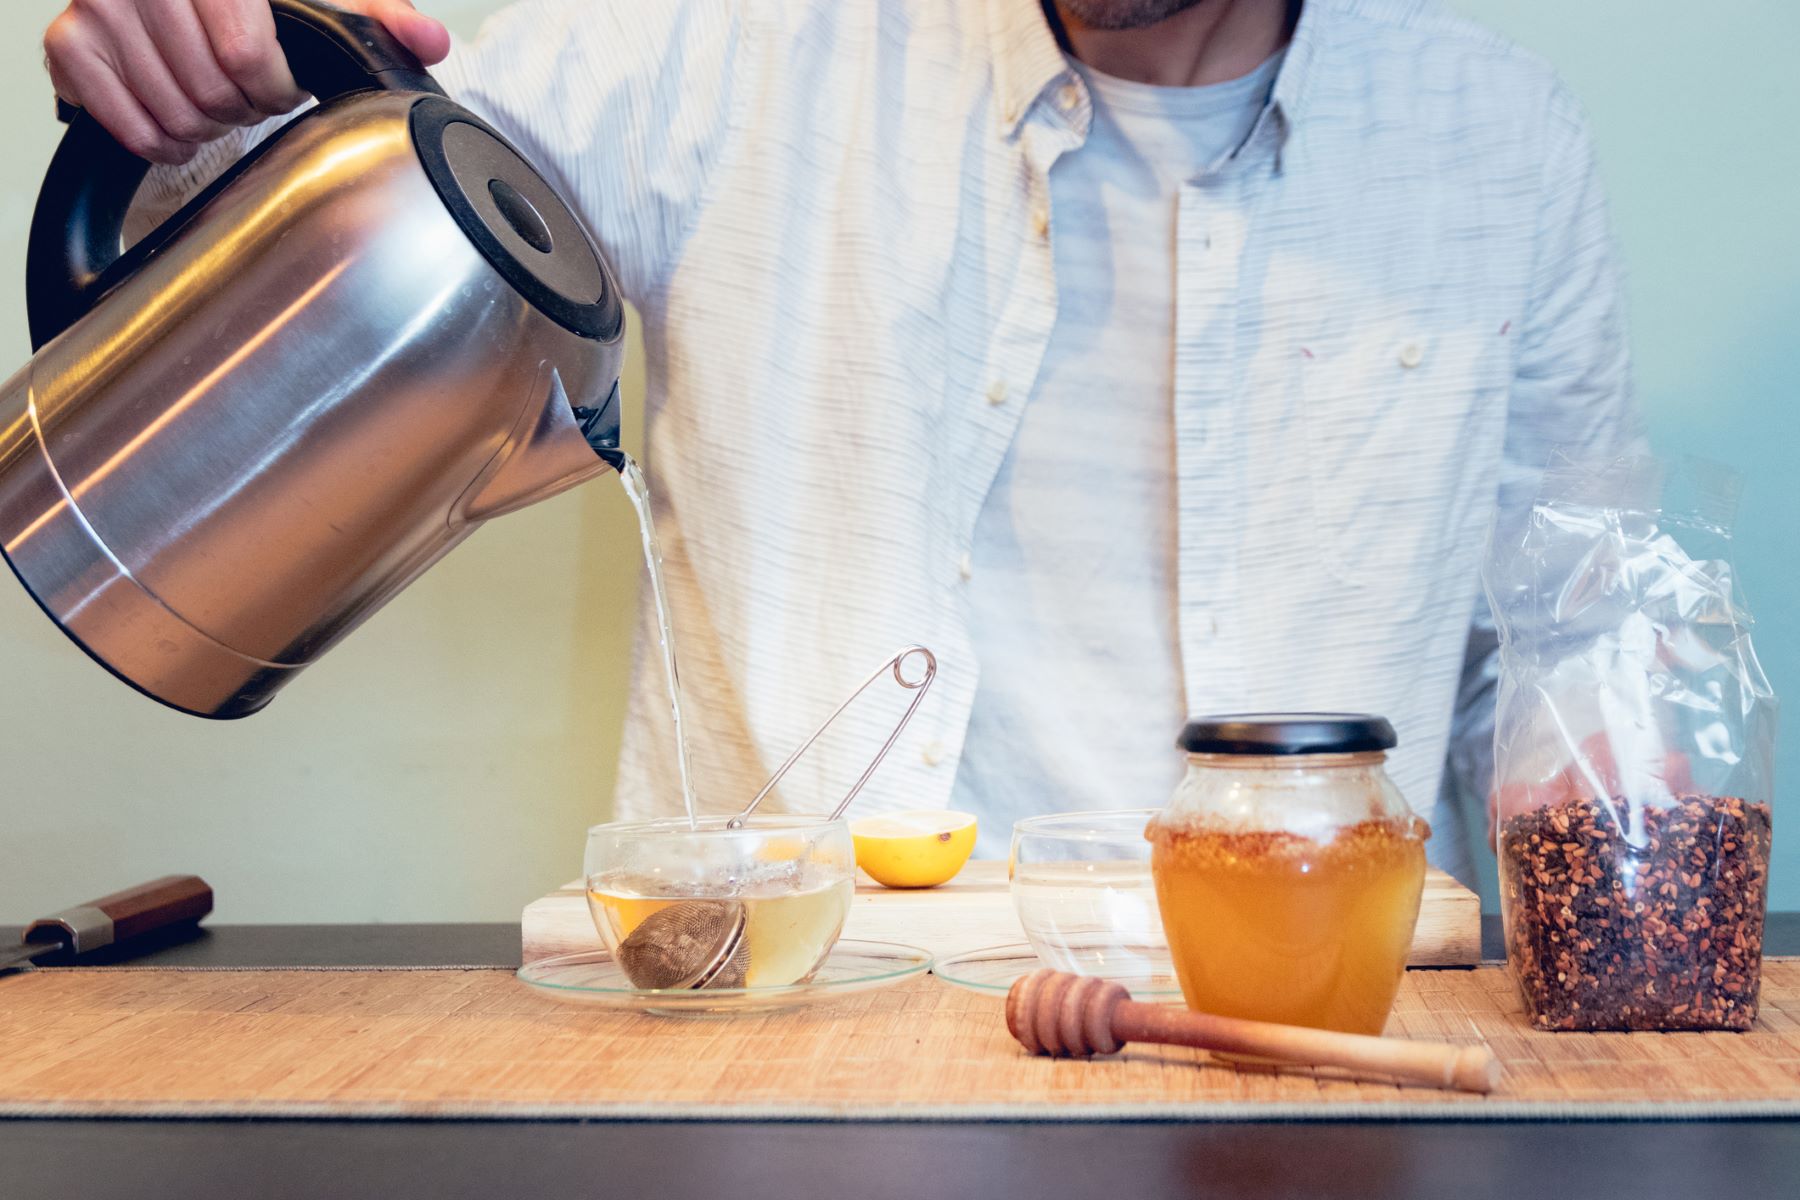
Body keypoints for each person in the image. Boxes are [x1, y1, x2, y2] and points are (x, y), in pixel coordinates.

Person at [39, 0, 1641, 884]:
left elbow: (1574, 649)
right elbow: (342, 171)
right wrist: (192, 87)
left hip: (1299, 1046)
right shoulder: (740, 46)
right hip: (788, 1046)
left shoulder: (1496, 138)